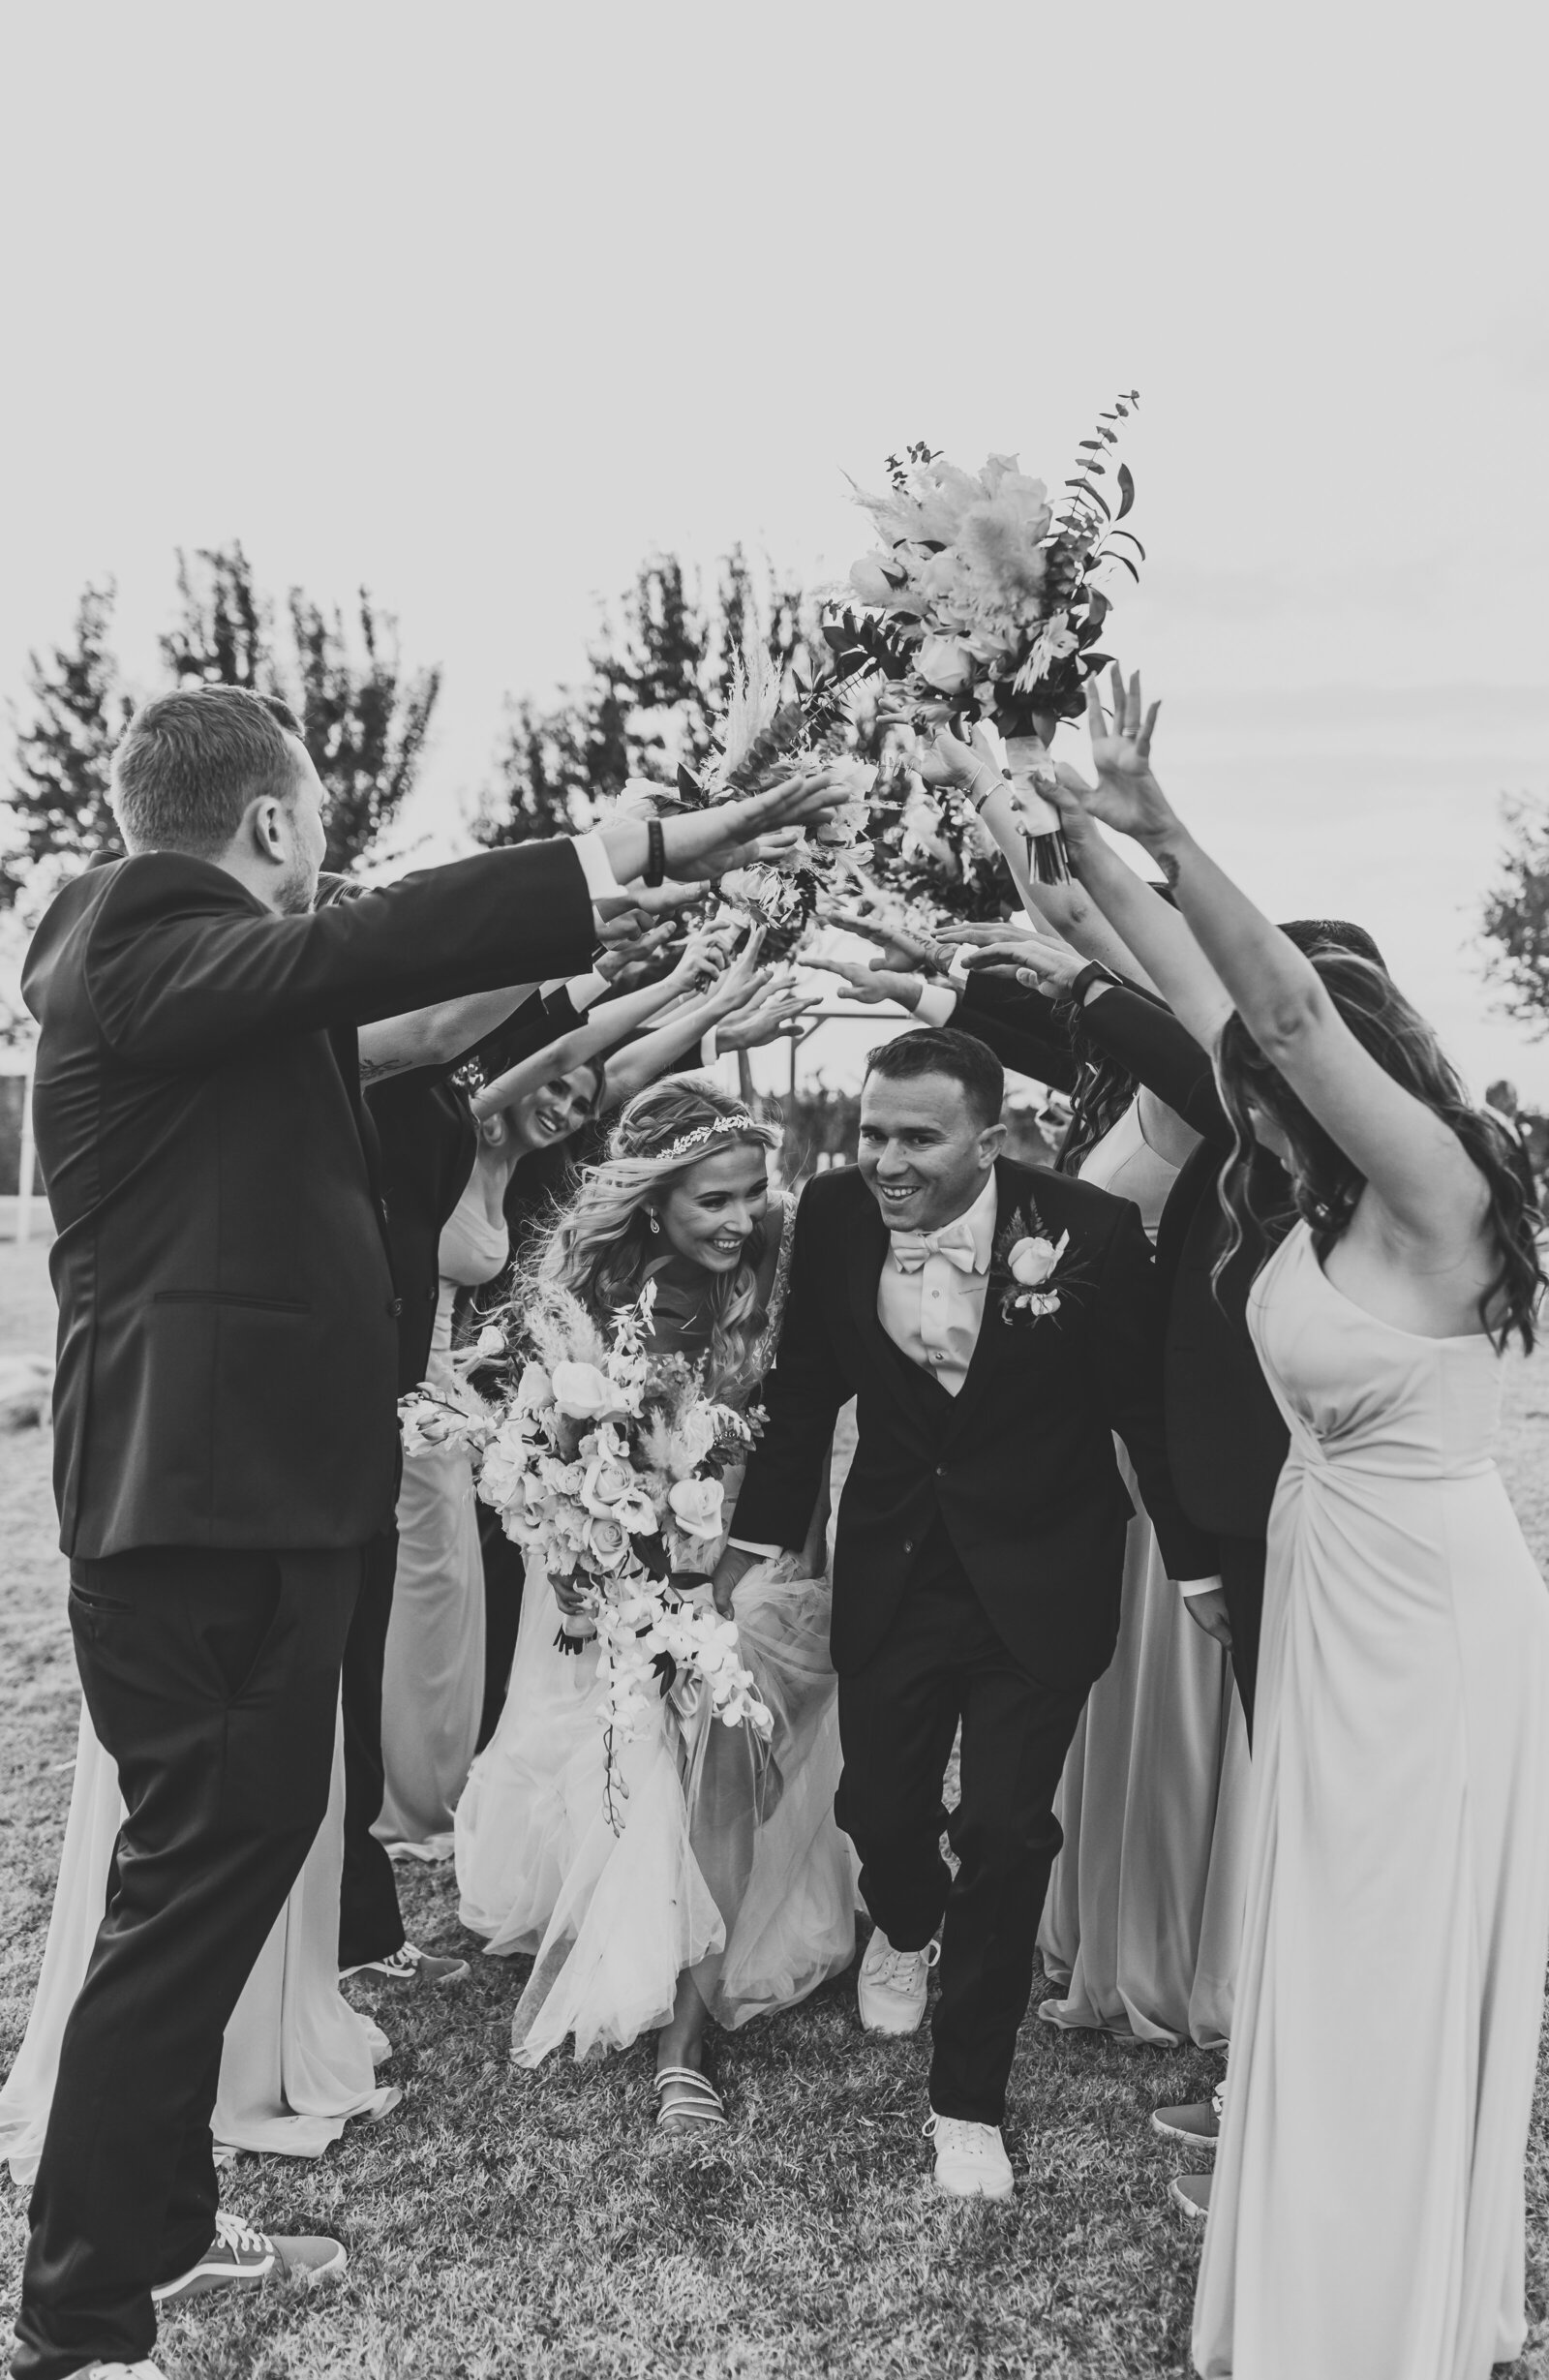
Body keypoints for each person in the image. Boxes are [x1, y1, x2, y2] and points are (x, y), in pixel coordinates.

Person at [15, 678, 848, 2380]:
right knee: (191, 1889)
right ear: (270, 821)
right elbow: (366, 956)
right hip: (204, 1507)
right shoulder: (135, 934)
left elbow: (403, 1023)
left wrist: (647, 921)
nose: (323, 856)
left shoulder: (213, 993)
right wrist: (621, 840)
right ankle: (77, 2312)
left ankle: (158, 2231)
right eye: (313, 821)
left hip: (246, 1498)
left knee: (221, 1875)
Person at [1063, 667, 1549, 2380]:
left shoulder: (1441, 1191)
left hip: (1429, 1604)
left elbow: (1272, 1016)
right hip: (1335, 1570)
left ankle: (1377, 2304)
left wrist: (1174, 822)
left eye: (1289, 1075)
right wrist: (1056, 823)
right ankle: (1316, 2261)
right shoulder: (1327, 1195)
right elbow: (1193, 985)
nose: (1258, 1104)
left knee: (1390, 1949)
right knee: (1316, 1934)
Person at [714, 1025, 1218, 2198]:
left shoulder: (1083, 1235)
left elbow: (1139, 1406)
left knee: (1002, 1827)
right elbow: (801, 1398)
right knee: (876, 1804)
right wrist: (744, 1554)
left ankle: (967, 2103)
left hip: (1043, 1569)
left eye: (918, 1138)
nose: (885, 1159)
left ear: (989, 1138)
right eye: (871, 1131)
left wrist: (1195, 1566)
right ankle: (905, 1921)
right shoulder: (835, 1215)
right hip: (895, 1562)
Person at [454, 1078, 855, 2127]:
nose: (738, 1219)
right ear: (650, 1202)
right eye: (710, 1201)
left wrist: (733, 1561)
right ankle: (665, 1994)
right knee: (651, 1778)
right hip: (632, 1568)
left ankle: (688, 2038)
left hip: (758, 1556)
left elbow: (801, 1412)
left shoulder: (776, 1269)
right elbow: (552, 1439)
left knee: (726, 1768)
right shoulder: (591, 1310)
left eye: (750, 1194)